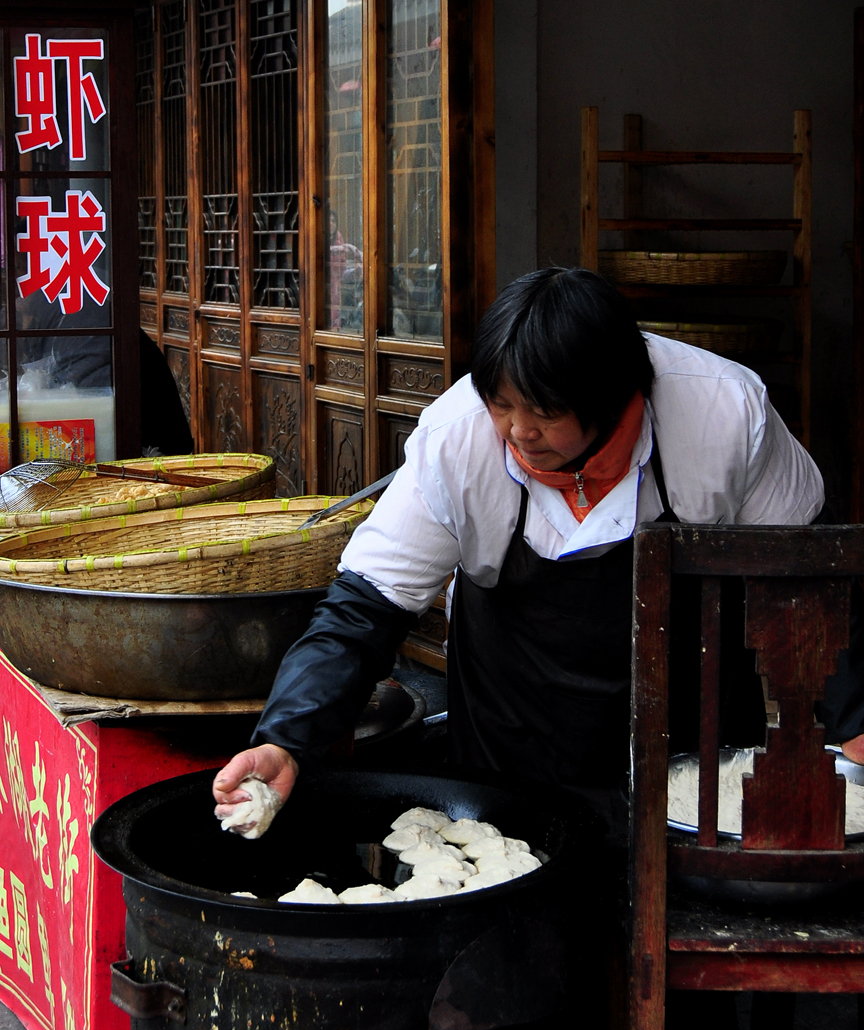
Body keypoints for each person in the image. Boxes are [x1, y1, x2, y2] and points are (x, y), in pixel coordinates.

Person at [214, 265, 863, 833]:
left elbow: (808, 584)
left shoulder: (724, 412)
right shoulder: (457, 439)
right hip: (514, 741)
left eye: (545, 412)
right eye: (502, 403)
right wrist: (288, 737)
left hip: (694, 746)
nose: (519, 432)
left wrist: (855, 722)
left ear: (615, 396)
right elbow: (361, 613)